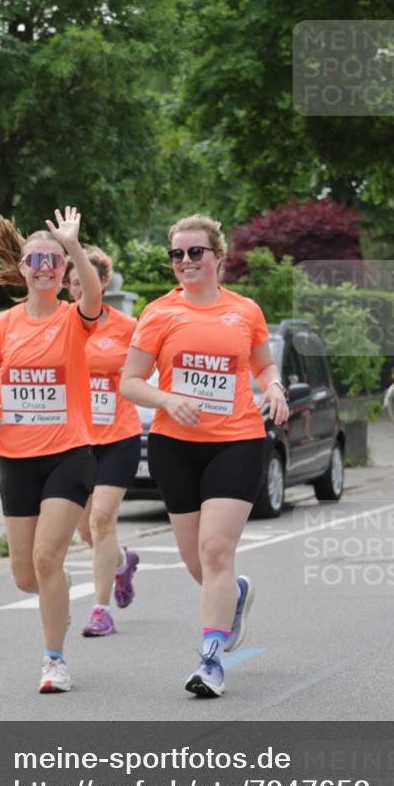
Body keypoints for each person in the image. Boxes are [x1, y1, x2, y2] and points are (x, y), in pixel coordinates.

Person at [120, 214, 289, 698]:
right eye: (177, 254)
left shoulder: (245, 311)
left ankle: (211, 660)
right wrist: (167, 399)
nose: (186, 261)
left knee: (216, 550)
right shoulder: (158, 314)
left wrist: (273, 387)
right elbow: (130, 381)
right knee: (199, 563)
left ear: (218, 256)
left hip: (236, 439)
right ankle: (234, 595)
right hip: (175, 446)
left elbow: (263, 363)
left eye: (196, 252)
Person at [0, 207, 102, 694]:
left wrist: (72, 244)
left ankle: (54, 662)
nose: (45, 266)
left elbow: (93, 292)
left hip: (69, 454)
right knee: (27, 576)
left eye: (53, 260)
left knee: (47, 560)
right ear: (22, 269)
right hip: (16, 458)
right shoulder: (3, 325)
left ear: (62, 269)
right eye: (36, 260)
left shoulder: (74, 318)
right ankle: (58, 590)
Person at [64, 247, 141, 637]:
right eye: (74, 282)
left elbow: (145, 375)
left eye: (87, 282)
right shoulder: (58, 325)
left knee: (101, 519)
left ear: (102, 283)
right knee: (85, 531)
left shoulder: (128, 327)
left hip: (118, 436)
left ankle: (100, 611)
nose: (80, 289)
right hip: (76, 442)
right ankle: (122, 561)